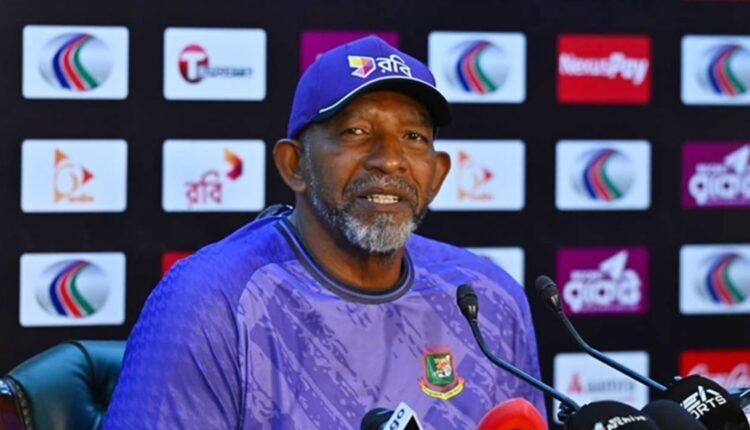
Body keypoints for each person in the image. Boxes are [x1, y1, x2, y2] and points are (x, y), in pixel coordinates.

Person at [105, 35, 545, 429]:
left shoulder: (488, 299)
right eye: (356, 131)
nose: (389, 159)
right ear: (294, 165)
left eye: (414, 136)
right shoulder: (210, 300)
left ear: (437, 175)